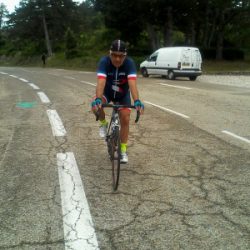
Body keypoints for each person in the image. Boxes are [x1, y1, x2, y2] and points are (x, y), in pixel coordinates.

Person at [91, 39, 144, 164]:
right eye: (114, 55)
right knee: (95, 105)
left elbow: (132, 84)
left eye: (121, 56)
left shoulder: (129, 64)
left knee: (125, 117)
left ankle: (123, 150)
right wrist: (98, 98)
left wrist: (136, 101)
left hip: (122, 95)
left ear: (125, 56)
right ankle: (103, 123)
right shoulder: (104, 62)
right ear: (110, 53)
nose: (117, 59)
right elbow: (101, 82)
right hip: (107, 93)